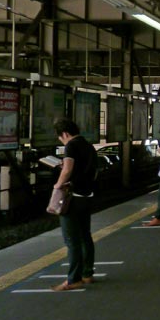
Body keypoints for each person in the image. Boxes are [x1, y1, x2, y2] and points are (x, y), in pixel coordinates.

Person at [52, 119, 98, 291]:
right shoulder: (89, 146)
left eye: (61, 138)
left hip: (73, 197)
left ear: (65, 134)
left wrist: (58, 184)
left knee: (72, 240)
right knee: (85, 235)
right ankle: (87, 274)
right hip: (87, 196)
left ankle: (73, 279)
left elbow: (68, 169)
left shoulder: (71, 145)